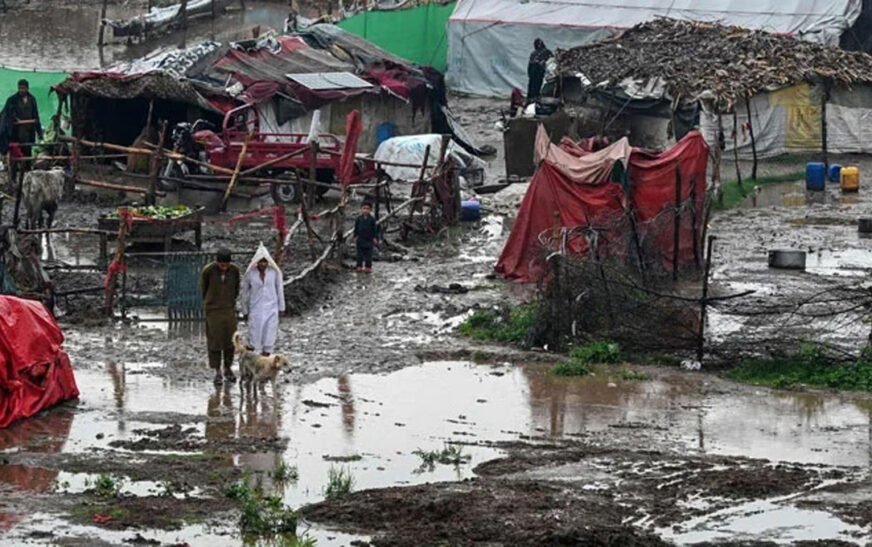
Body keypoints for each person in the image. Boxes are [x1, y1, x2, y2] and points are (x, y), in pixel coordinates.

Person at [200, 248, 241, 385]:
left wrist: (230, 302)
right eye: (221, 265)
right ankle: (217, 370)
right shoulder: (208, 271)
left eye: (226, 265)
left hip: (228, 309)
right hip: (213, 310)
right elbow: (204, 289)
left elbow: (236, 289)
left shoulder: (234, 271)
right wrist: (210, 304)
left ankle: (228, 368)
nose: (224, 267)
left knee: (231, 340)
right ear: (217, 262)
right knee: (215, 341)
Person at [240, 243, 286, 356]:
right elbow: (244, 293)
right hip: (256, 309)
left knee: (269, 336)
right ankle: (255, 359)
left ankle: (266, 358)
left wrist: (281, 307)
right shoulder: (251, 274)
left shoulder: (274, 272)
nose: (263, 264)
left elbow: (279, 289)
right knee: (255, 336)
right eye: (260, 261)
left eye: (265, 261)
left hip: (271, 309)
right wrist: (245, 310)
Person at [2, 79, 42, 158]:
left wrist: (39, 132)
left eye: (23, 88)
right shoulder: (12, 100)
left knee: (27, 153)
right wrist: (14, 119)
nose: (21, 90)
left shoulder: (32, 99)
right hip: (16, 132)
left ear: (27, 88)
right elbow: (6, 114)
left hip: (29, 132)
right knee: (16, 154)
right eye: (19, 88)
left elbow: (36, 115)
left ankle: (28, 165)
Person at [526, 39, 553, 105]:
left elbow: (551, 61)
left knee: (533, 84)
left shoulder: (542, 52)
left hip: (535, 70)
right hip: (537, 70)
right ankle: (533, 99)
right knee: (536, 84)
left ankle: (531, 99)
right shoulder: (545, 52)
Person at [354, 202, 379, 273]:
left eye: (367, 209)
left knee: (368, 255)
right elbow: (356, 228)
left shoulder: (372, 219)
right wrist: (355, 236)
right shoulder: (358, 219)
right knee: (359, 255)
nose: (365, 210)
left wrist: (375, 238)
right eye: (364, 208)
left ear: (370, 210)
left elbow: (375, 229)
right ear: (361, 209)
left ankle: (368, 267)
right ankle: (359, 266)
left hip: (369, 239)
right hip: (360, 239)